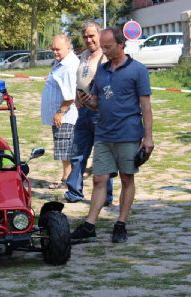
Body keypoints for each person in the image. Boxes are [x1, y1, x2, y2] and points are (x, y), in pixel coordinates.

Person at [71, 27, 154, 244]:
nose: (105, 51)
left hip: (128, 134)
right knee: (99, 179)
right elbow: (99, 102)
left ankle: (121, 223)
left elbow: (146, 106)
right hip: (103, 134)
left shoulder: (138, 70)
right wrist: (90, 101)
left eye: (108, 47)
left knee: (127, 178)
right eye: (103, 46)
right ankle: (89, 225)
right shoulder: (102, 70)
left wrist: (148, 138)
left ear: (121, 45)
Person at [63, 21, 114, 206]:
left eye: (92, 35)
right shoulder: (83, 55)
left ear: (99, 35)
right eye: (85, 36)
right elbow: (79, 81)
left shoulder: (106, 56)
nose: (88, 39)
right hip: (83, 111)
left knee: (102, 155)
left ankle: (106, 197)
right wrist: (77, 101)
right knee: (77, 153)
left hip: (100, 112)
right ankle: (74, 192)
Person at [40, 35, 80, 189]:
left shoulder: (69, 66)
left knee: (66, 148)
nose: (54, 52)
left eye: (58, 49)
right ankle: (67, 177)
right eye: (53, 49)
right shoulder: (61, 62)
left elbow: (70, 95)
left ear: (68, 48)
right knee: (63, 148)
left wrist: (60, 112)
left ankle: (68, 180)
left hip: (66, 115)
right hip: (62, 115)